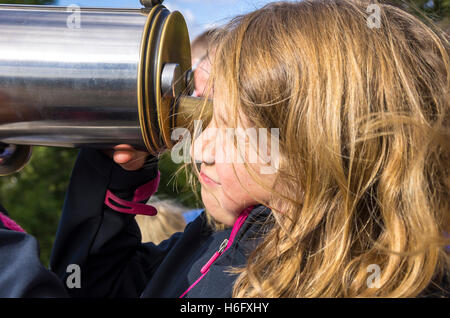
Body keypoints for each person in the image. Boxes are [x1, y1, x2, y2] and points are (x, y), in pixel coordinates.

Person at [0, 0, 448, 297]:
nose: (198, 150)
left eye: (228, 126)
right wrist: (113, 172)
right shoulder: (239, 239)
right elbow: (99, 289)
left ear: (321, 143)